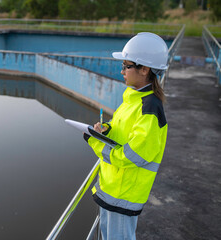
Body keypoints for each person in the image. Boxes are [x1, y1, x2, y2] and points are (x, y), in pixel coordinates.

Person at [83, 32, 169, 240]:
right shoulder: (134, 97)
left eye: (126, 66)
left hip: (124, 192)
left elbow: (134, 155)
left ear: (144, 69)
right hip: (115, 187)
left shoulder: (149, 108)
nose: (121, 70)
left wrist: (95, 143)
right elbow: (121, 127)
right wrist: (105, 129)